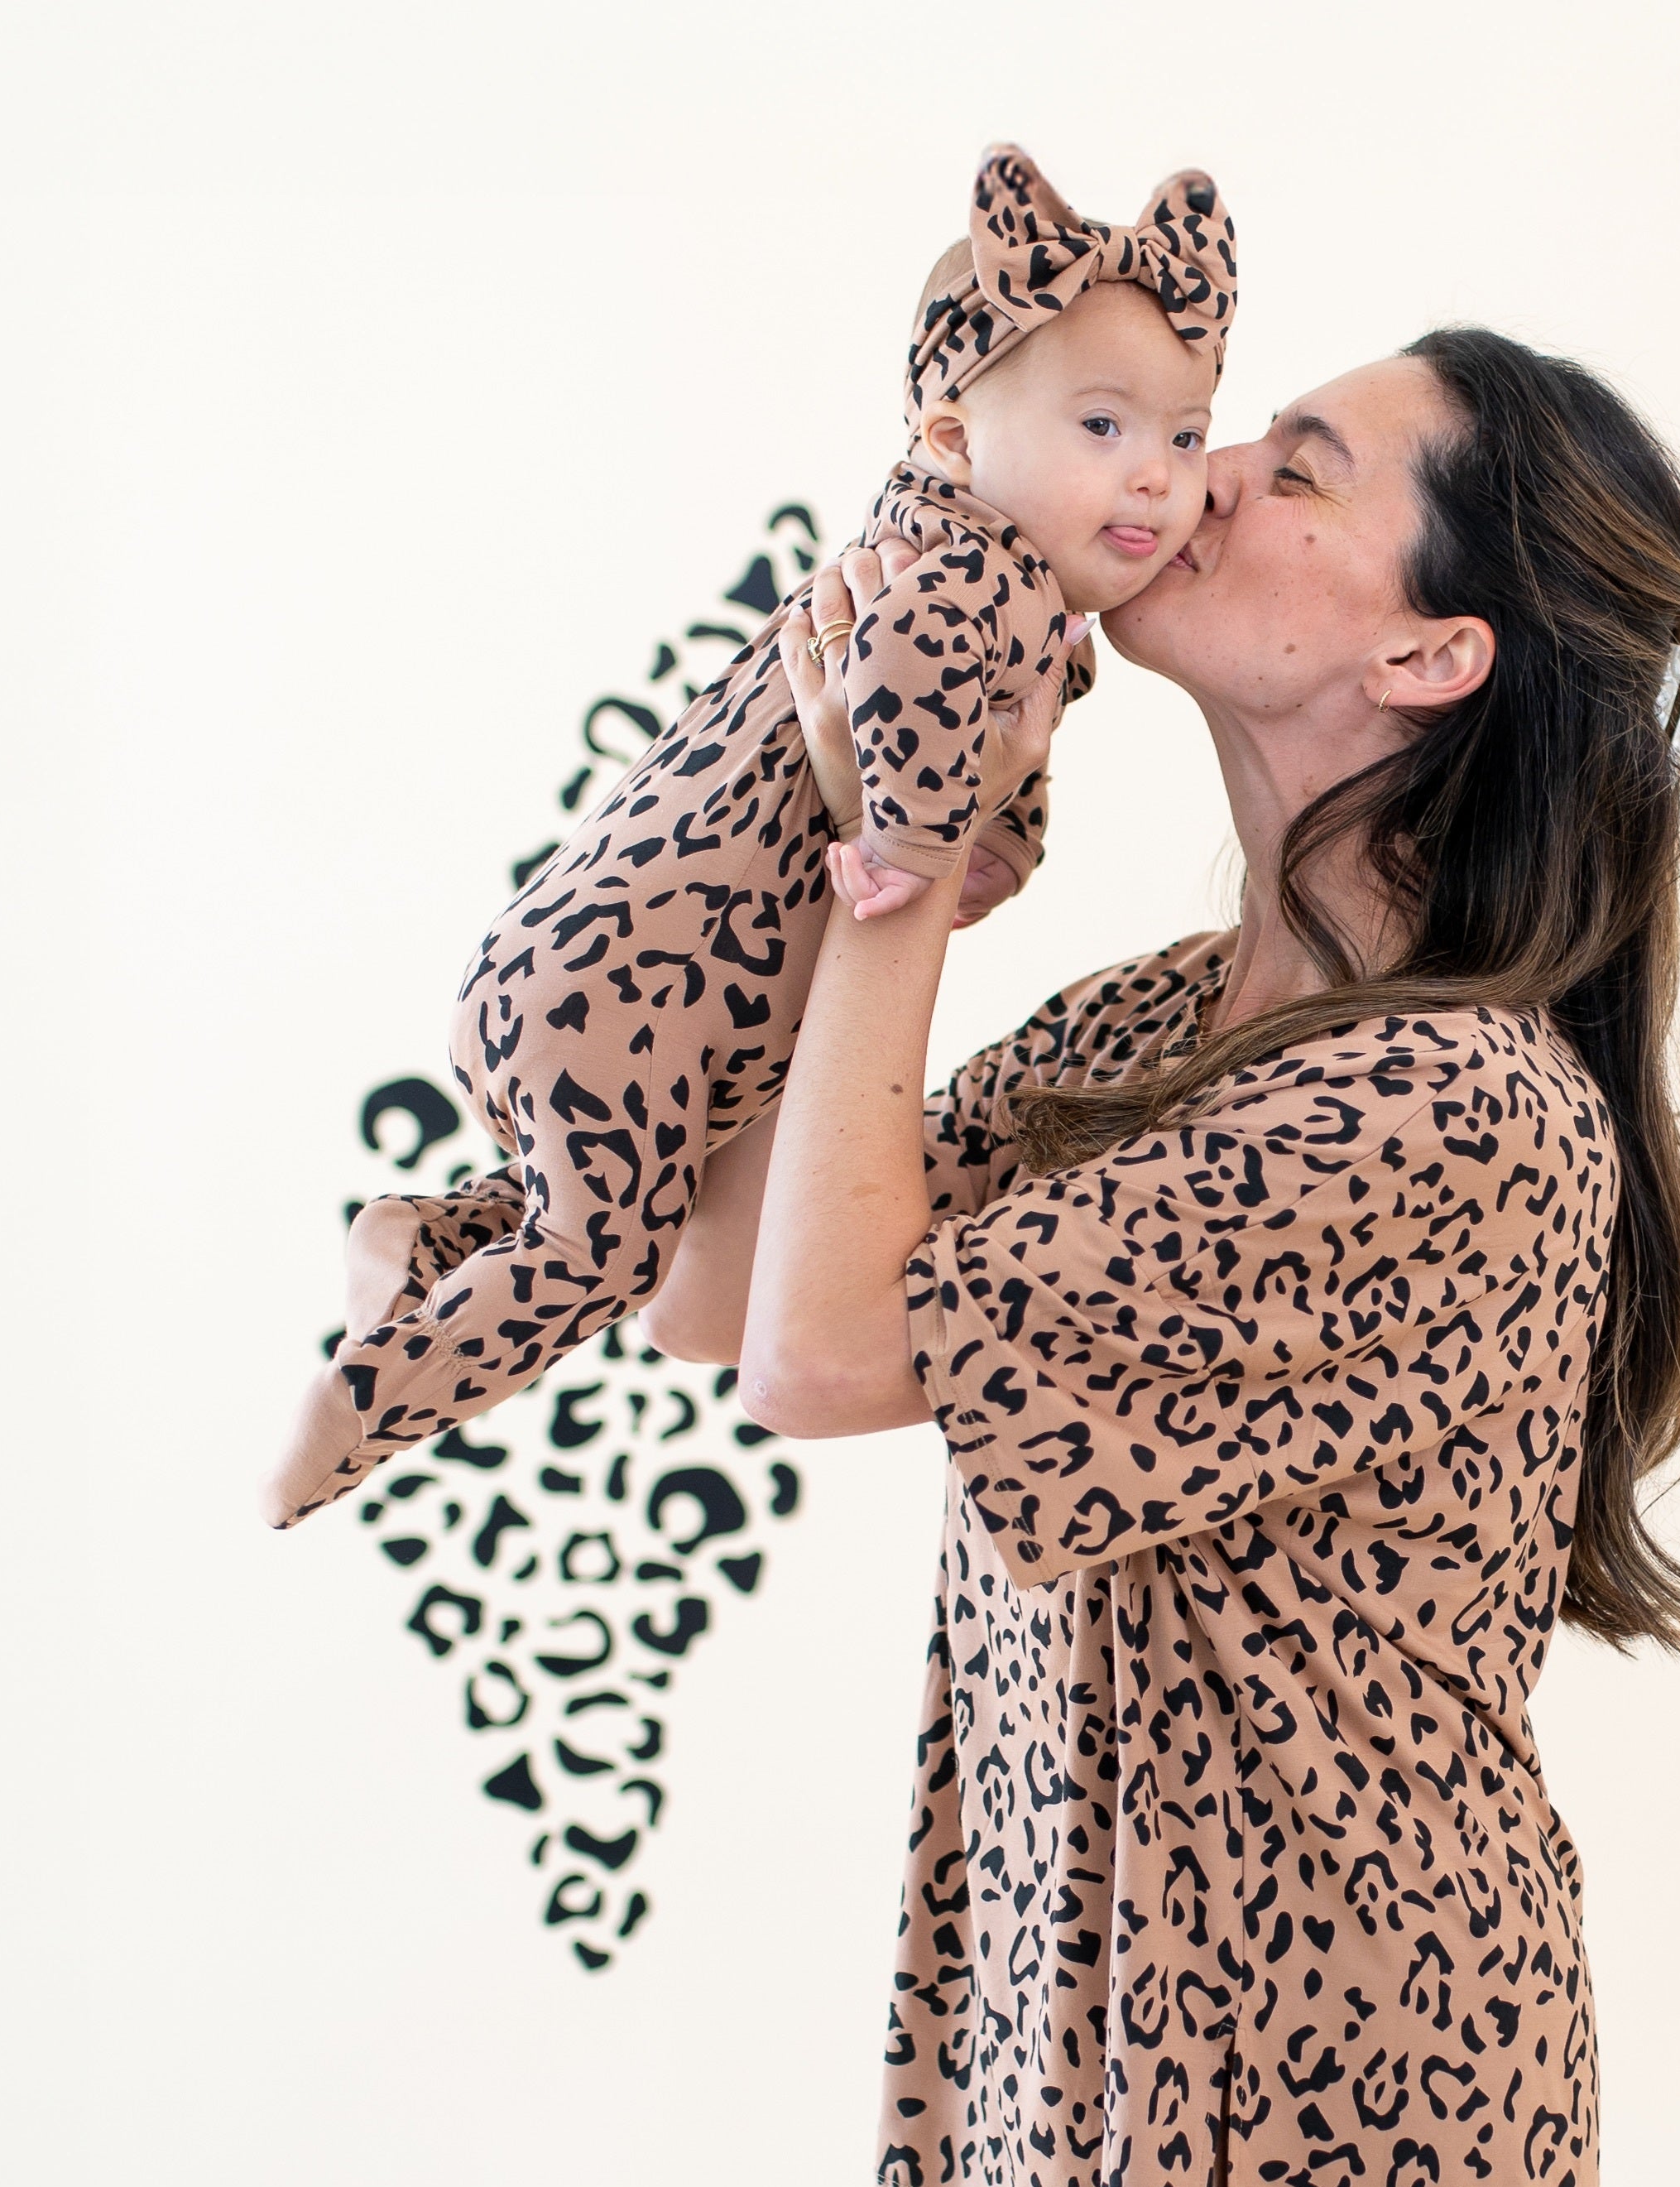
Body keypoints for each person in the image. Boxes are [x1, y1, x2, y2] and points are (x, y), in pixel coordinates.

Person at [645, 325, 1680, 2187]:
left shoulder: (1456, 1108)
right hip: (1094, 2033)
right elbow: (718, 1292)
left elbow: (820, 1361)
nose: (1211, 471)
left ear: (1428, 656)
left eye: (1308, 465)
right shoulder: (1156, 1027)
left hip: (1392, 2088)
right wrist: (830, 811)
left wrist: (904, 867)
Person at [259, 143, 1235, 1526]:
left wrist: (979, 841)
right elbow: (903, 679)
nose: (1157, 478)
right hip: (633, 983)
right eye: (1101, 429)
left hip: (613, 985)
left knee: (615, 1219)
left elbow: (713, 1309)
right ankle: (358, 1409)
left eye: (1184, 436)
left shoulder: (1006, 581)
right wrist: (907, 849)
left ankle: (425, 1241)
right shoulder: (976, 574)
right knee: (596, 1254)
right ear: (951, 436)